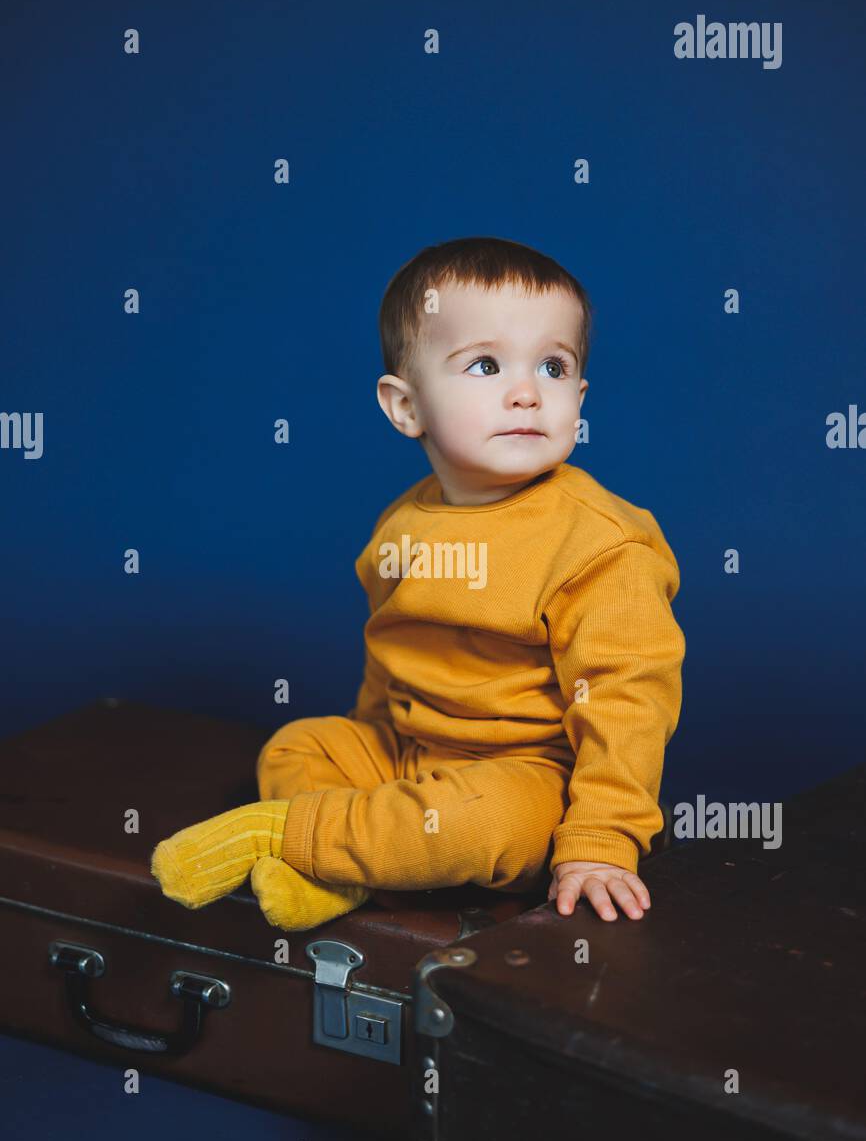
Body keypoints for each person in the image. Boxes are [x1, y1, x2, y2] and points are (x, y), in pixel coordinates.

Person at [151, 236, 686, 931]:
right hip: (410, 751)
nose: (527, 392)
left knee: (485, 823)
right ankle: (344, 875)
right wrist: (368, 749)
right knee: (295, 747)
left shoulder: (601, 543)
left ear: (580, 398)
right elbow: (391, 652)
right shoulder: (400, 526)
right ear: (406, 408)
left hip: (528, 772)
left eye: (554, 367)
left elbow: (630, 703)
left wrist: (602, 840)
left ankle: (277, 835)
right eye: (486, 364)